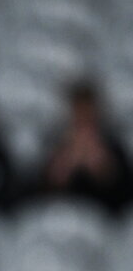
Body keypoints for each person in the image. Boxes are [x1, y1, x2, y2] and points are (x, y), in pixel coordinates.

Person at [36, 79, 132, 214]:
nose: (83, 118)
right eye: (79, 112)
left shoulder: (113, 144)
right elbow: (38, 195)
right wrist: (64, 164)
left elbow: (124, 196)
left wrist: (104, 168)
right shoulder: (55, 144)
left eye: (88, 112)